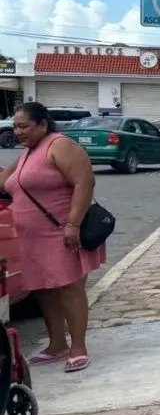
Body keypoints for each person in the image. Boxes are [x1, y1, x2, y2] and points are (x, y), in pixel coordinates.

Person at [0, 102, 104, 373]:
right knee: (43, 289)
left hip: (60, 232)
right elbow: (5, 182)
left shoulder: (59, 146)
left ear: (43, 125)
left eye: (24, 126)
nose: (18, 132)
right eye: (15, 126)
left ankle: (78, 348)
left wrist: (73, 224)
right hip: (31, 238)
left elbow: (85, 182)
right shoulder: (27, 153)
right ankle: (57, 344)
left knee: (70, 287)